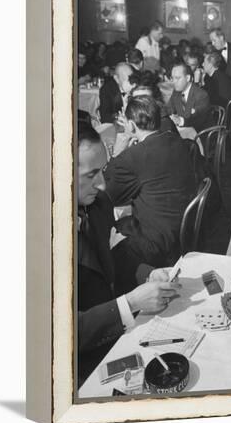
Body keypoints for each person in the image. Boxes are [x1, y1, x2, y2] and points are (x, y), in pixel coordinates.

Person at [77, 120, 180, 385]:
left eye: (103, 171)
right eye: (91, 175)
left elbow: (112, 255)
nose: (102, 185)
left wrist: (148, 274)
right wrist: (131, 303)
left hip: (115, 336)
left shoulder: (98, 205)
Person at [103, 96, 197, 268]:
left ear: (130, 125)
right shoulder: (177, 141)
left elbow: (109, 196)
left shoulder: (131, 158)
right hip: (185, 229)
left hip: (157, 242)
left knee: (104, 232)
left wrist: (116, 155)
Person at [166, 62, 211, 132]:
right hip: (184, 132)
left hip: (201, 135)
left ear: (187, 78)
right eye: (172, 78)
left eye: (177, 78)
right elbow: (169, 109)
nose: (174, 82)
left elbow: (198, 120)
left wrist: (180, 121)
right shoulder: (177, 92)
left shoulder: (201, 95)